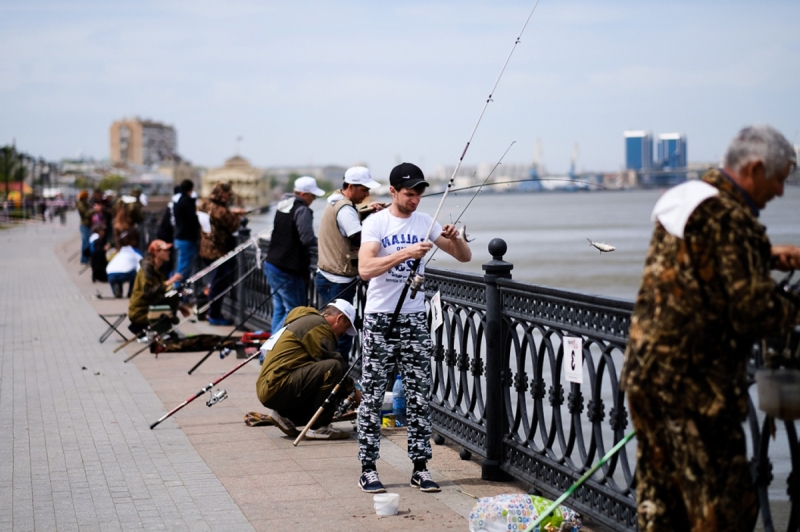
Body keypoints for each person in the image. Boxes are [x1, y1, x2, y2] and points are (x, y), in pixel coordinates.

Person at [620, 125, 800, 532]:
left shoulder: (691, 198)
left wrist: (766, 255)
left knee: (660, 502)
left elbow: (698, 261)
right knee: (723, 506)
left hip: (646, 379)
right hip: (694, 390)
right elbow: (754, 311)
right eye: (780, 178)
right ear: (754, 168)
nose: (781, 192)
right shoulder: (729, 216)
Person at [356, 162, 472, 493]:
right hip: (380, 318)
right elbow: (365, 268)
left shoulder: (426, 221)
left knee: (419, 395)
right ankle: (368, 467)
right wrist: (406, 253)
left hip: (414, 318)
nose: (416, 199)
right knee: (374, 395)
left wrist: (456, 239)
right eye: (409, 193)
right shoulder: (376, 223)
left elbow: (463, 256)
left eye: (420, 193)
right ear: (393, 191)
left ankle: (420, 467)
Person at [256, 299, 359, 440]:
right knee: (334, 367)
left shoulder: (308, 321)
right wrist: (354, 391)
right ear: (339, 319)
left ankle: (284, 414)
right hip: (276, 386)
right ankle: (319, 428)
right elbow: (334, 365)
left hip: (273, 385)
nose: (344, 334)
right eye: (345, 327)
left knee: (325, 374)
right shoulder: (318, 326)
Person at [316, 166, 383, 362]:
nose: (367, 194)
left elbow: (349, 220)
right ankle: (336, 374)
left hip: (326, 274)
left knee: (328, 329)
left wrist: (368, 210)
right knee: (341, 331)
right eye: (364, 190)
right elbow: (358, 238)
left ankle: (327, 370)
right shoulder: (346, 209)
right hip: (338, 279)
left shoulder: (336, 200)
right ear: (351, 187)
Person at [264, 176, 325, 333]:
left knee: (280, 310)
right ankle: (272, 351)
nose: (314, 199)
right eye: (313, 196)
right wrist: (325, 244)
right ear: (304, 194)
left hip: (272, 263)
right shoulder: (302, 209)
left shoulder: (283, 204)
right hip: (287, 269)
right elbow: (307, 238)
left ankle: (268, 353)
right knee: (295, 313)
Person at [199, 182, 245, 326]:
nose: (230, 196)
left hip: (205, 249)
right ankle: (214, 315)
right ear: (222, 193)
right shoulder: (220, 210)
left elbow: (216, 217)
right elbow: (232, 226)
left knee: (212, 283)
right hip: (218, 252)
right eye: (228, 194)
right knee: (218, 285)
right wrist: (237, 217)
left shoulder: (204, 204)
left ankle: (206, 309)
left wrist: (232, 213)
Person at [128, 239, 184, 335]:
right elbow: (148, 292)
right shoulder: (147, 269)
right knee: (170, 289)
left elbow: (160, 292)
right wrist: (169, 282)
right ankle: (167, 323)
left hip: (149, 306)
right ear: (156, 253)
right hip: (140, 311)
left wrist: (179, 306)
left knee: (172, 292)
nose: (169, 252)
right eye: (165, 250)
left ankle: (169, 322)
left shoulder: (158, 268)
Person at [172, 179, 200, 290]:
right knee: (184, 267)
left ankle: (178, 290)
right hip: (186, 238)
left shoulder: (178, 201)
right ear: (191, 188)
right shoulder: (187, 202)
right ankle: (178, 291)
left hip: (180, 237)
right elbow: (192, 220)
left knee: (181, 264)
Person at [106, 231, 143, 298]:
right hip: (125, 273)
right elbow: (140, 263)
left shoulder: (118, 252)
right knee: (135, 273)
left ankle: (116, 289)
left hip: (110, 273)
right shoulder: (134, 251)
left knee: (115, 278)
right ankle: (131, 292)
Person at [76, 190, 92, 264]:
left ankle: (84, 258)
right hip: (84, 224)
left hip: (86, 224)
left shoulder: (84, 204)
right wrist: (95, 210)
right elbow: (86, 214)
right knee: (86, 242)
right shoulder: (81, 204)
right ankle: (84, 259)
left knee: (85, 242)